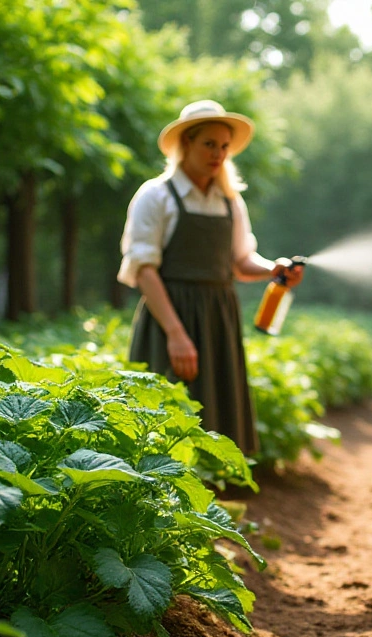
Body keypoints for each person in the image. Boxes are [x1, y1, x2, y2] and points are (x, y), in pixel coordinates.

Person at [118, 100, 304, 456]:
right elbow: (143, 270)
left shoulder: (231, 202)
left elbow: (239, 262)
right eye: (209, 144)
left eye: (224, 146)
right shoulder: (155, 196)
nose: (218, 153)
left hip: (218, 317)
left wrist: (273, 269)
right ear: (186, 143)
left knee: (217, 407)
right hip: (169, 314)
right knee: (162, 412)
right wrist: (176, 334)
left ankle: (213, 497)